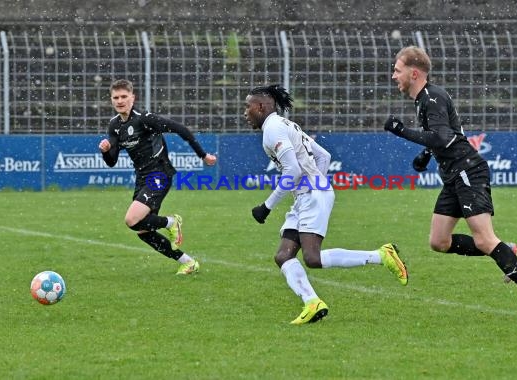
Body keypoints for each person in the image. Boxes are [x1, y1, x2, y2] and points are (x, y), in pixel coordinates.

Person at [384, 46, 517, 320]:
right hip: (453, 175)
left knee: (485, 239)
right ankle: (503, 249)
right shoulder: (426, 98)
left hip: (467, 172)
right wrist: (424, 155)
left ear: (414, 73)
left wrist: (402, 131)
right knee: (439, 241)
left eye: (397, 70)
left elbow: (441, 137)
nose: (394, 76)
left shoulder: (432, 97)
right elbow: (447, 134)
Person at [244, 84, 408, 325]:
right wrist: (316, 183)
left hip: (312, 194)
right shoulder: (286, 125)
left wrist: (267, 206)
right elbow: (324, 157)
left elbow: (292, 169)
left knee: (313, 258)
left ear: (261, 106)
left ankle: (381, 255)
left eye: (247, 107)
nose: (245, 113)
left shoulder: (274, 129)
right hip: (309, 194)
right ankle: (312, 302)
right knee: (283, 255)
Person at [99, 79, 217, 275]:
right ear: (111, 100)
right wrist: (105, 150)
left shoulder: (144, 119)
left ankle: (171, 222)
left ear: (132, 97)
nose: (120, 101)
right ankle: (188, 262)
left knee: (131, 220)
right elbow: (111, 161)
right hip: (142, 178)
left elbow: (181, 129)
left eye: (124, 97)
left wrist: (203, 155)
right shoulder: (114, 126)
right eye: (116, 97)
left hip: (159, 174)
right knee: (143, 231)